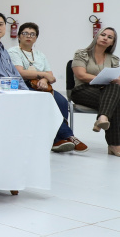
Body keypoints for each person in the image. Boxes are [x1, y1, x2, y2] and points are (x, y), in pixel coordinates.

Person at [9, 22, 87, 152]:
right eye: (25, 33)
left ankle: (57, 140)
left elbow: (51, 76)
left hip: (42, 86)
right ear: (19, 36)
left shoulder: (40, 54)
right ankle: (68, 136)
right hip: (23, 85)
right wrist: (44, 75)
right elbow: (21, 72)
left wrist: (44, 79)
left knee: (61, 101)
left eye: (32, 34)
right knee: (48, 103)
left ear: (36, 38)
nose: (29, 36)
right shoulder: (13, 51)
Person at [71, 27, 120, 157]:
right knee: (116, 99)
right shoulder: (82, 53)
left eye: (110, 37)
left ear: (112, 43)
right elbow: (81, 75)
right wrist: (106, 80)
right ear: (97, 37)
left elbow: (118, 79)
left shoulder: (114, 59)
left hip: (105, 92)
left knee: (115, 91)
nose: (105, 38)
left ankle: (102, 118)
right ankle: (114, 145)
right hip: (82, 90)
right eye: (103, 35)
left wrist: (114, 80)